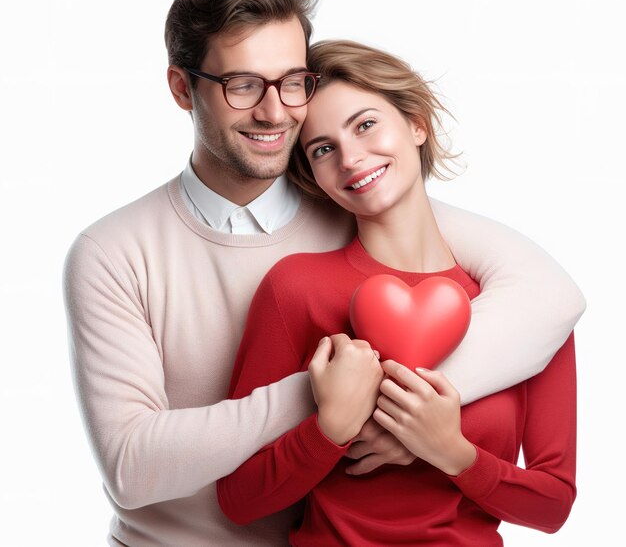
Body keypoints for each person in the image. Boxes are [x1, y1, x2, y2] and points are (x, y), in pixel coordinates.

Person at [63, 0, 584, 546]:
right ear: (183, 88)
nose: (274, 110)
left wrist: (412, 419)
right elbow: (131, 467)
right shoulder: (112, 252)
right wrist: (329, 400)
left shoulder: (357, 207)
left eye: (291, 81)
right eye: (241, 84)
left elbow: (551, 296)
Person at [217, 39, 578, 545]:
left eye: (365, 125)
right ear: (314, 176)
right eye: (323, 149)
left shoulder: (522, 311)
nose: (351, 158)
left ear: (416, 124)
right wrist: (330, 432)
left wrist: (451, 452)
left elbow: (553, 505)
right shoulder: (295, 288)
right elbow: (238, 499)